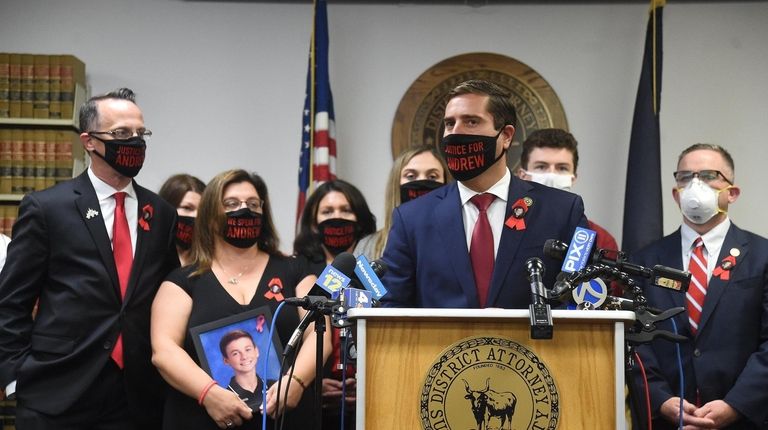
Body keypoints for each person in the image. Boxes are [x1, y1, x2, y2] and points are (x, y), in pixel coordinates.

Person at [0, 87, 179, 429]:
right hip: (57, 393)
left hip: (137, 397)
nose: (135, 142)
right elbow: (11, 303)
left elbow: (168, 297)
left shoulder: (161, 213)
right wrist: (15, 378)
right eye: (122, 134)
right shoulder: (47, 208)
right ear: (90, 141)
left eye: (141, 133)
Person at [380, 79, 587, 309]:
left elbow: (582, 302)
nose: (455, 133)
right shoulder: (411, 219)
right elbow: (392, 311)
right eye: (449, 124)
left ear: (506, 135)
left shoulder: (561, 210)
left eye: (471, 122)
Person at [151, 169, 330, 430]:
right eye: (231, 204)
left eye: (253, 204)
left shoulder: (295, 270)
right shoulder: (182, 281)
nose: (244, 210)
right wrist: (209, 393)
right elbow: (164, 351)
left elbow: (319, 331)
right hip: (202, 417)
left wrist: (297, 381)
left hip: (287, 418)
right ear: (211, 214)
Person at [630, 144, 768, 429]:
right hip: (666, 419)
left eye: (708, 176)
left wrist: (735, 405)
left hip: (744, 419)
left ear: (732, 192)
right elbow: (634, 340)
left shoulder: (762, 256)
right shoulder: (644, 261)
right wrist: (661, 400)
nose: (695, 185)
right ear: (675, 194)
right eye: (685, 177)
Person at [293, 179, 376, 430]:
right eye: (327, 212)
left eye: (345, 210)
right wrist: (312, 383)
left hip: (370, 398)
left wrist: (367, 383)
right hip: (311, 404)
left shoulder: (374, 269)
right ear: (312, 223)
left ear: (359, 219)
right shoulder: (297, 268)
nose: (337, 218)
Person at [517, 128, 621, 296]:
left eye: (562, 168)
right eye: (541, 166)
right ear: (522, 175)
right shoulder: (507, 230)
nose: (551, 175)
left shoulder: (601, 238)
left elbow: (608, 305)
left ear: (573, 177)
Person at [355, 144, 449, 260]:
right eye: (411, 176)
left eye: (432, 176)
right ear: (396, 185)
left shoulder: (460, 239)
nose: (422, 182)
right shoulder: (368, 246)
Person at [158, 173, 206, 266]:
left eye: (202, 210)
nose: (196, 216)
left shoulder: (211, 261)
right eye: (187, 208)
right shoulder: (147, 258)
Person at [220, 330, 265, 411]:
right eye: (235, 353)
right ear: (226, 360)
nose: (244, 357)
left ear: (256, 351)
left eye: (247, 350)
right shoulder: (225, 399)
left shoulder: (275, 385)